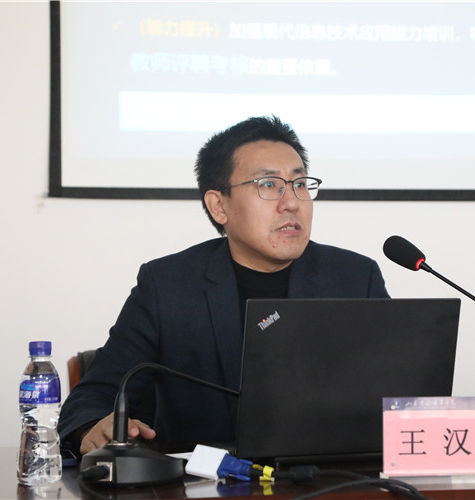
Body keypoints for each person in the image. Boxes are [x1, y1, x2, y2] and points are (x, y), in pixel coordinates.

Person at [58, 116, 389, 457]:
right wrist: (93, 427)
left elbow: (399, 394)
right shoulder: (168, 286)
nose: (291, 202)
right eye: (269, 184)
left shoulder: (354, 278)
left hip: (335, 477)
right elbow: (93, 397)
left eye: (300, 184)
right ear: (219, 206)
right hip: (205, 481)